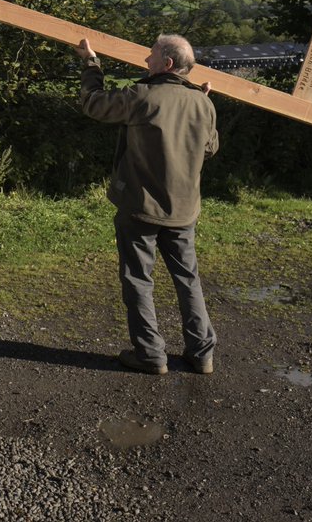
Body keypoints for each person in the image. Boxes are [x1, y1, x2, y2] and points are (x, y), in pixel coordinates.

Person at [74, 34, 219, 375]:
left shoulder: (143, 96)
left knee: (138, 279)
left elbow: (94, 103)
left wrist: (90, 63)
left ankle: (151, 355)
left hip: (140, 207)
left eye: (151, 56)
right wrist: (201, 105)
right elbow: (209, 148)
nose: (145, 61)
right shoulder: (203, 103)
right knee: (188, 280)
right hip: (184, 211)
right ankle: (202, 355)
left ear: (167, 64)